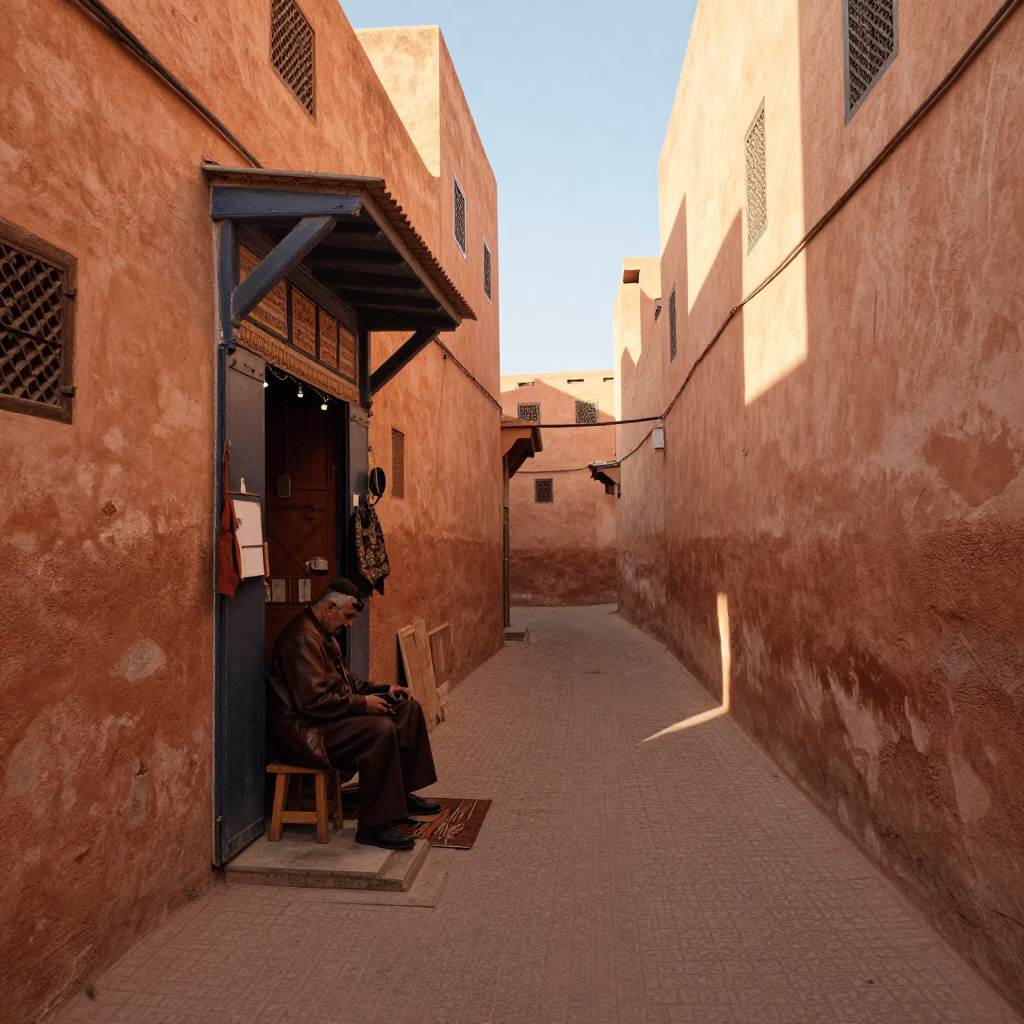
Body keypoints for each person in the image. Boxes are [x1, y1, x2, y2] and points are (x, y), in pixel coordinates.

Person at [266, 577, 440, 850]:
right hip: (305, 732)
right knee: (379, 730)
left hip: (327, 720)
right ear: (330, 607)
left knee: (406, 709)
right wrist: (363, 704)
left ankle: (401, 796)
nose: (349, 624)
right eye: (347, 616)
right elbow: (312, 703)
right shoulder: (302, 639)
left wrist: (382, 689)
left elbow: (347, 683)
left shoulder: (323, 633)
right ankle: (373, 825)